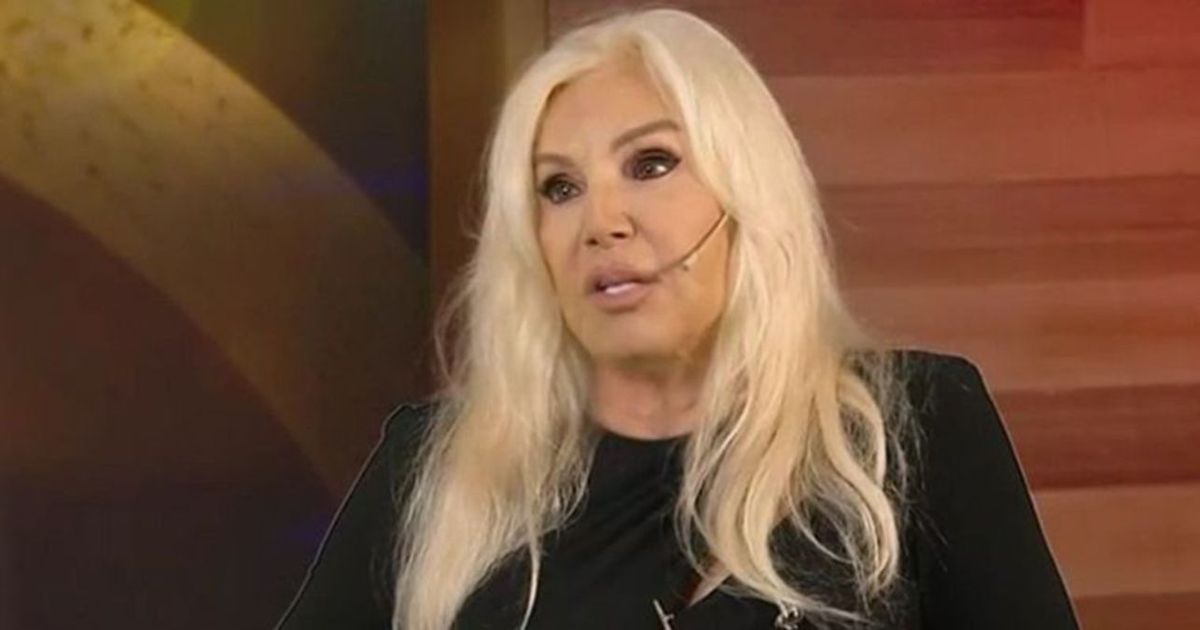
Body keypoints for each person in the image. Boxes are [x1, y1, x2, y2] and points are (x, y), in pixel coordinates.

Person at [277, 8, 1078, 630]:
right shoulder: (434, 468)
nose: (602, 222)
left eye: (651, 164)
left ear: (746, 194)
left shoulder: (917, 428)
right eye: (559, 188)